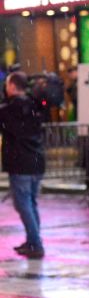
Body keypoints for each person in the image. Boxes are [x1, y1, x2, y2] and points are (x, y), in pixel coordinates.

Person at [1, 72, 46, 259]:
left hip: (20, 163)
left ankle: (35, 243)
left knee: (23, 204)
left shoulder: (8, 109)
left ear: (12, 86)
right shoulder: (34, 105)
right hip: (36, 160)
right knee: (31, 202)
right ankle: (33, 240)